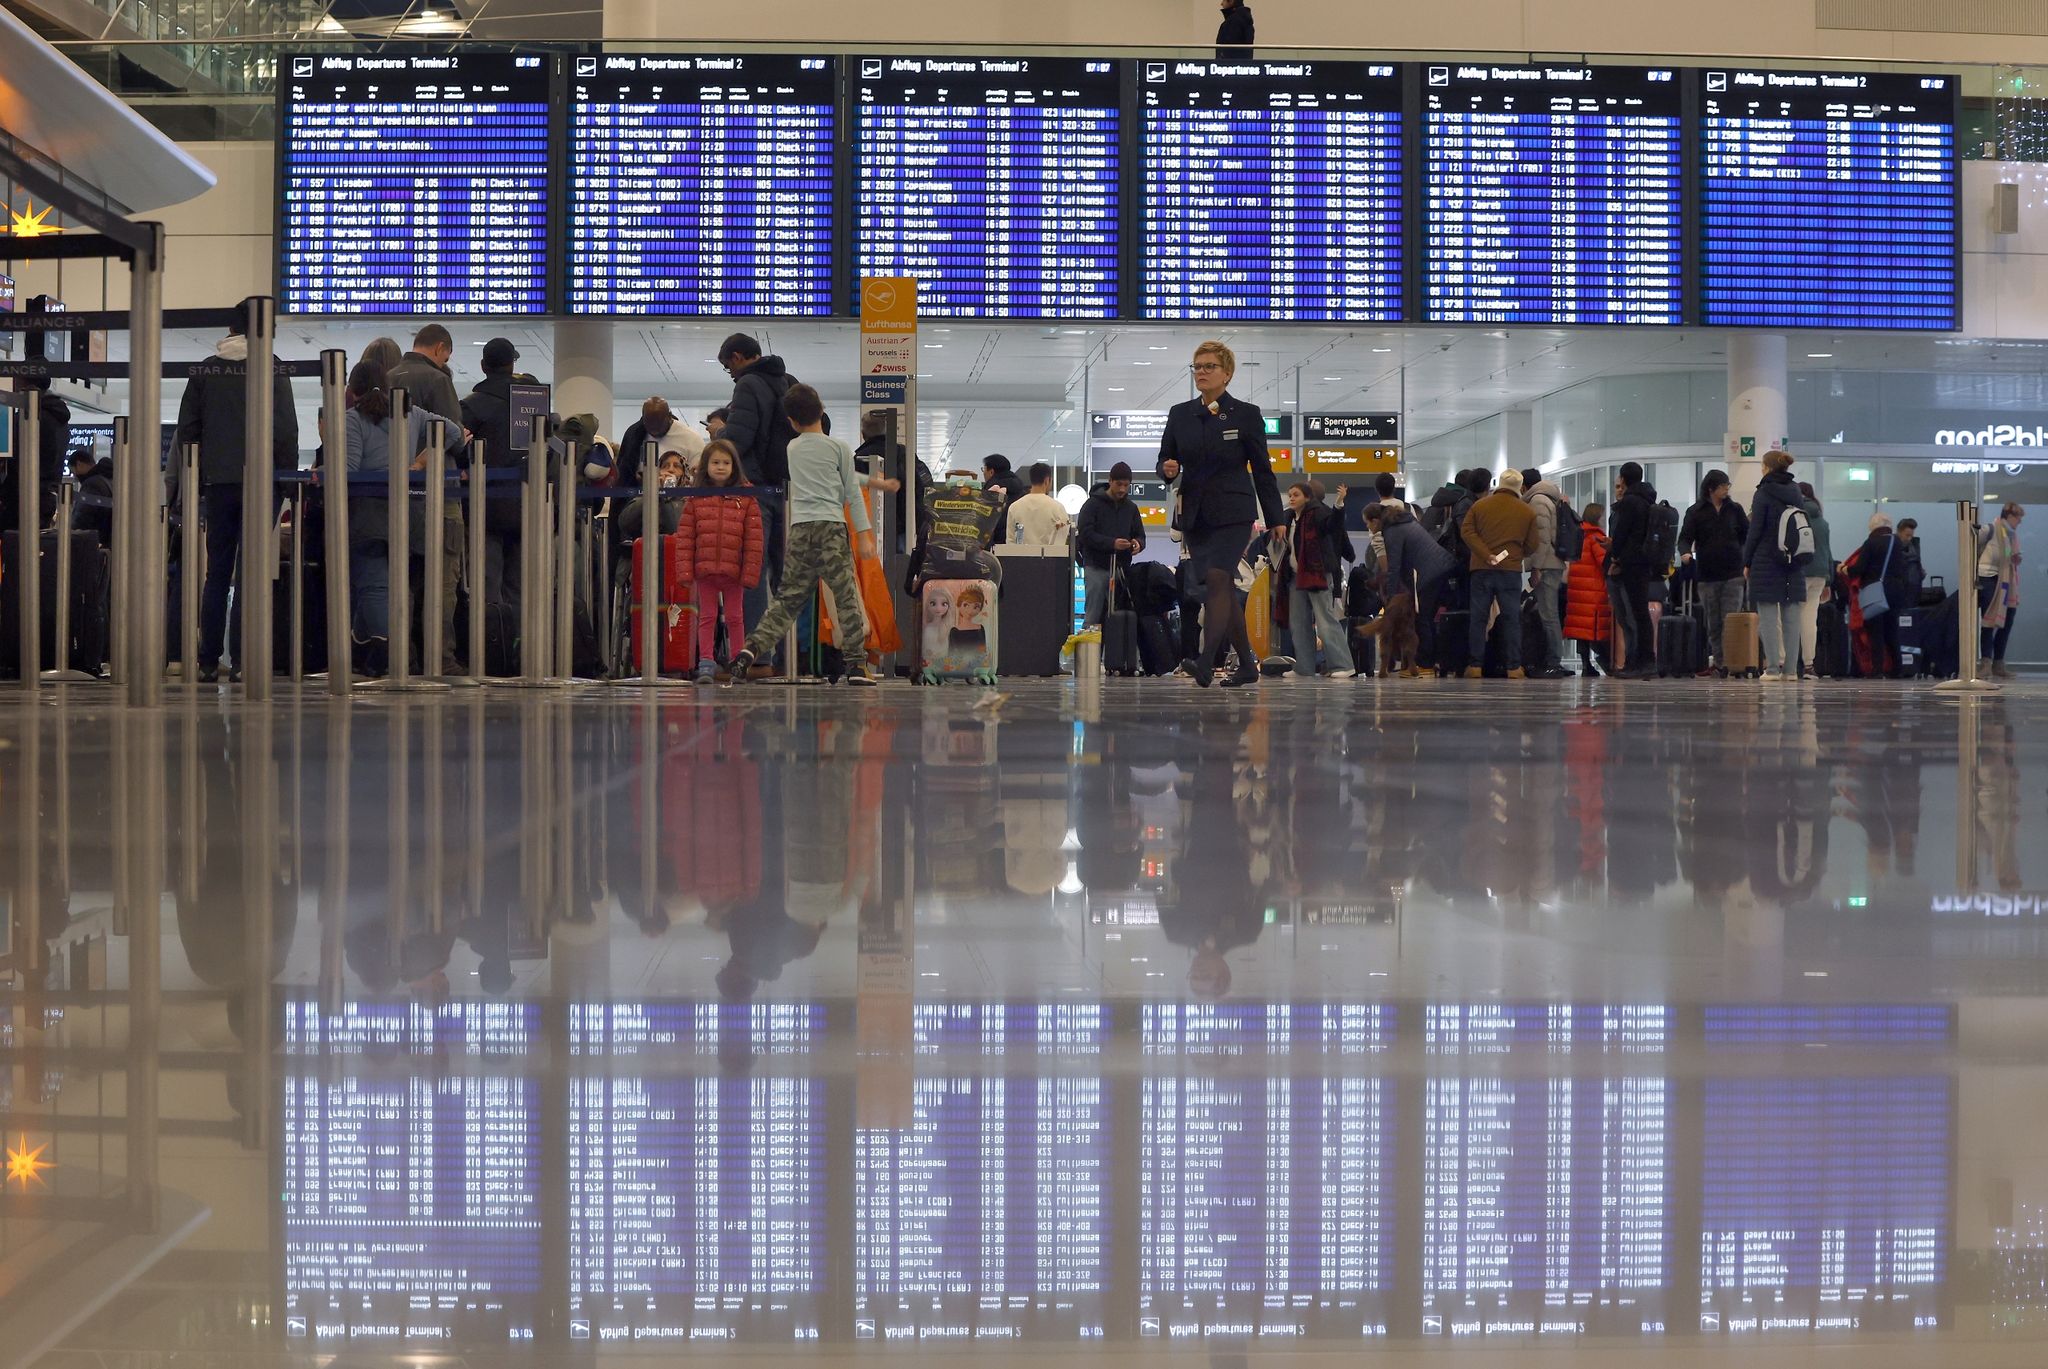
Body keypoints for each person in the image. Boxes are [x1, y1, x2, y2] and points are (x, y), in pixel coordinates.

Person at [172, 315, 301, 683]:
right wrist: (287, 482)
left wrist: (197, 478)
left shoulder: (205, 371)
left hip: (217, 482)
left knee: (217, 572)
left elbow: (188, 430)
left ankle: (209, 660)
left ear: (229, 330)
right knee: (250, 573)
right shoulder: (273, 368)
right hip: (263, 482)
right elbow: (285, 427)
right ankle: (244, 660)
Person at [726, 384, 875, 686]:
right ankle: (857, 666)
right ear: (822, 410)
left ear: (792, 421)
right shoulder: (839, 449)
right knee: (845, 596)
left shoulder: (792, 448)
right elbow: (851, 492)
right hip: (831, 528)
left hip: (800, 530)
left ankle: (750, 649)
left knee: (786, 601)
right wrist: (863, 534)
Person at [1156, 340, 1283, 688]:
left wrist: (1276, 519)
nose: (1201, 372)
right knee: (1221, 588)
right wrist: (1166, 469)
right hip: (1196, 514)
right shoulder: (1180, 413)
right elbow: (1166, 460)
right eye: (1197, 366)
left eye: (1209, 366)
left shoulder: (1245, 414)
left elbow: (1262, 470)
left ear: (1227, 374)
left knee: (1216, 579)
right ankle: (1246, 665)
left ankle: (1206, 661)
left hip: (1233, 512)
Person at [343, 359, 467, 677]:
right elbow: (454, 432)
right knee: (391, 582)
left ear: (352, 390)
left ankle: (389, 653)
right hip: (410, 514)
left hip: (370, 514)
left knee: (373, 583)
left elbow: (349, 469)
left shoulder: (353, 419)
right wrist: (421, 462)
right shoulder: (412, 413)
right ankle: (360, 647)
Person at [386, 324, 468, 675]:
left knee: (401, 577)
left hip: (395, 493)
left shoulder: (387, 376)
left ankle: (403, 656)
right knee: (442, 578)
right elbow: (454, 434)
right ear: (440, 348)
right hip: (438, 492)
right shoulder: (438, 381)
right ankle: (440, 657)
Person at [717, 333, 808, 630]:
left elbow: (739, 438)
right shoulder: (790, 380)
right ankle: (790, 655)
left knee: (753, 569)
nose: (730, 373)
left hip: (757, 489)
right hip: (790, 487)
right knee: (787, 572)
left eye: (728, 366)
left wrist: (719, 434)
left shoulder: (747, 384)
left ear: (738, 357)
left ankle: (757, 655)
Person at [677, 438, 765, 684]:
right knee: (706, 617)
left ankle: (737, 662)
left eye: (726, 462)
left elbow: (754, 539)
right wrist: (685, 573)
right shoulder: (695, 498)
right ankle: (706, 662)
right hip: (705, 570)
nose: (720, 467)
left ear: (734, 466)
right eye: (715, 462)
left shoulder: (747, 498)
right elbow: (685, 537)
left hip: (733, 571)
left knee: (736, 618)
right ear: (706, 465)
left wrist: (750, 573)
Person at [458, 336, 527, 611]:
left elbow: (459, 450)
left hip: (483, 511)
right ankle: (521, 648)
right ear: (512, 365)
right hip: (527, 507)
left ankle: (489, 649)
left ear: (483, 366)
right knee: (520, 590)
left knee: (487, 590)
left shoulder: (471, 406)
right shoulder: (531, 403)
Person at [1458, 467, 1539, 679]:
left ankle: (1475, 666)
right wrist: (1514, 554)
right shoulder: (1527, 511)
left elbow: (1466, 532)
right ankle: (1514, 667)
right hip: (1510, 570)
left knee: (1479, 618)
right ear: (1519, 487)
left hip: (1481, 569)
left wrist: (1486, 554)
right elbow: (1533, 544)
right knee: (1512, 618)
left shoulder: (1479, 506)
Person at [1740, 449, 1809, 682]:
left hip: (1766, 560)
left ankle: (1771, 669)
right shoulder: (1796, 491)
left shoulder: (1763, 493)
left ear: (1767, 467)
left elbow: (1755, 531)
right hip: (1793, 559)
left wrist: (1747, 561)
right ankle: (1790, 670)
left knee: (1768, 617)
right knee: (1792, 617)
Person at [1277, 480, 1356, 679]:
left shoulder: (1319, 513)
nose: (1292, 498)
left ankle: (1342, 665)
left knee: (1325, 620)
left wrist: (1339, 504)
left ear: (1307, 497)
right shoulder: (1287, 518)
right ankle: (1304, 667)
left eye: (1296, 494)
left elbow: (1333, 526)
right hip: (1295, 576)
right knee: (1298, 622)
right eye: (1290, 494)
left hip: (1317, 574)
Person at [1679, 468, 1751, 676]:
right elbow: (1684, 537)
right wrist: (1685, 552)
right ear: (1711, 489)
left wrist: (1746, 559)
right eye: (1723, 486)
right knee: (1713, 620)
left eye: (1728, 485)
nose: (1727, 489)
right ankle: (1720, 662)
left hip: (1733, 572)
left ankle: (1732, 661)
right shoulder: (1696, 512)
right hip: (1707, 574)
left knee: (1730, 618)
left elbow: (1746, 535)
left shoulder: (1735, 510)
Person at [1375, 496, 1456, 674]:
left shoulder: (1392, 531)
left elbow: (1394, 567)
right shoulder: (1406, 523)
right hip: (1442, 568)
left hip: (1431, 572)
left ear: (1376, 520)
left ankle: (1425, 664)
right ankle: (1433, 662)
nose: (1369, 528)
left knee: (1423, 617)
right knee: (1428, 617)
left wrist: (1390, 599)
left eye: (1368, 523)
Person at [1605, 461, 1660, 679]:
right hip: (1645, 562)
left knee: (1635, 614)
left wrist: (1615, 557)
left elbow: (1622, 534)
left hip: (1630, 563)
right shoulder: (1647, 500)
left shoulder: (1629, 502)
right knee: (1640, 613)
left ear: (1624, 479)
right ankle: (1644, 660)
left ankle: (1640, 662)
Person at [1076, 461, 1145, 625]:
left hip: (1121, 570)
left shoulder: (1131, 508)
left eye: (1126, 485)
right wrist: (1111, 544)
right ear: (1110, 481)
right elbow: (1085, 535)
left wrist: (1138, 543)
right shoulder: (1092, 505)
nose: (1122, 489)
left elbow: (1140, 535)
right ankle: (1090, 651)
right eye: (1119, 484)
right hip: (1096, 567)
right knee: (1093, 615)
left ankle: (1115, 649)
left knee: (1120, 618)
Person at [0, 376, 70, 536]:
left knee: (14, 550)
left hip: (21, 498)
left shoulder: (29, 419)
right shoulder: (60, 421)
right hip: (46, 497)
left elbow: (13, 458)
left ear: (26, 385)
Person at [1521, 468, 1573, 679]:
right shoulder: (1549, 498)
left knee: (1548, 614)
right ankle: (1553, 660)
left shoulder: (1538, 501)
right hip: (1552, 562)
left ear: (1525, 486)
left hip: (1547, 564)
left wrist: (1536, 568)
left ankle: (1554, 661)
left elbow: (1542, 539)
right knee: (1549, 613)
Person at [1850, 512, 1912, 679]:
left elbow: (1860, 568)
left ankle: (1877, 669)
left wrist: (1844, 569)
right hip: (1896, 591)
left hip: (1875, 592)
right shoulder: (1896, 542)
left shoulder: (1871, 543)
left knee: (1875, 631)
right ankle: (1897, 669)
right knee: (1892, 631)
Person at [1565, 500, 1615, 676]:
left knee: (1581, 630)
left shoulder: (1578, 535)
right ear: (1597, 518)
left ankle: (1586, 665)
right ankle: (1604, 662)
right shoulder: (1596, 538)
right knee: (1594, 629)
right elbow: (1604, 563)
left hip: (1577, 590)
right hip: (1593, 591)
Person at [1977, 501, 2024, 678]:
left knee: (2007, 619)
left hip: (2007, 582)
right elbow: (1971, 546)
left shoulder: (2011, 535)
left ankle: (1998, 663)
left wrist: (2014, 558)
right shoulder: (1990, 530)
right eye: (2018, 519)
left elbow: (2008, 556)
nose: (2019, 523)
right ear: (2010, 516)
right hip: (1989, 578)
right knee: (1989, 621)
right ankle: (1986, 663)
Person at [1795, 482, 1834, 680]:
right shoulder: (1822, 520)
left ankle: (1788, 663)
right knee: (1810, 620)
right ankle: (1809, 665)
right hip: (1819, 574)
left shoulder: (1796, 517)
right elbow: (1827, 552)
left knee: (1790, 617)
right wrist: (1829, 579)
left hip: (1800, 571)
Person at [616, 397, 680, 494]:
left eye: (659, 424)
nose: (654, 429)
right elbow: (624, 472)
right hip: (637, 496)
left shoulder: (689, 438)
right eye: (650, 424)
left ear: (669, 417)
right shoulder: (634, 434)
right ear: (643, 419)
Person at [1008, 461, 1071, 548]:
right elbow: (1063, 539)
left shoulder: (1014, 507)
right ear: (1047, 480)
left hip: (1021, 558)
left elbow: (1010, 541)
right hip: (1049, 559)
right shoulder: (1057, 507)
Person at [981, 454, 1029, 545]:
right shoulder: (1021, 491)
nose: (983, 472)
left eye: (984, 469)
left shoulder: (990, 492)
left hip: (994, 544)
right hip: (1017, 543)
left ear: (991, 472)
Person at [1896, 516, 1926, 605]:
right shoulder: (1892, 548)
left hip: (1914, 591)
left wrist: (1920, 573)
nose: (1909, 539)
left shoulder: (1914, 546)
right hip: (1900, 591)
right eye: (1907, 535)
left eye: (1911, 536)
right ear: (1899, 532)